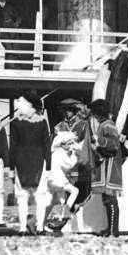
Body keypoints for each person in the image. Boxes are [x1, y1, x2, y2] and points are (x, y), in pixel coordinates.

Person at [47, 98, 94, 230]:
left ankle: (70, 216)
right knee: (62, 193)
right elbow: (53, 145)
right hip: (62, 162)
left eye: (69, 110)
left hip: (77, 161)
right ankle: (60, 219)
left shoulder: (83, 124)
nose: (66, 113)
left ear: (74, 111)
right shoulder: (59, 126)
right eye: (65, 111)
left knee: (79, 190)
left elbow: (85, 144)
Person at [9, 92, 52, 236]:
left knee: (40, 196)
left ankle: (40, 227)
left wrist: (49, 166)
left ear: (31, 106)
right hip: (21, 163)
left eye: (22, 103)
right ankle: (22, 227)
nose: (19, 105)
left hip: (39, 162)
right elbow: (13, 145)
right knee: (22, 196)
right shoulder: (15, 122)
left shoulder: (41, 122)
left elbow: (47, 144)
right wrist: (11, 167)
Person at [90, 99, 122, 238]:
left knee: (110, 199)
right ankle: (111, 229)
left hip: (110, 165)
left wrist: (99, 141)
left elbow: (114, 144)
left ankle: (113, 231)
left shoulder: (108, 125)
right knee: (107, 199)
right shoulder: (105, 124)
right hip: (106, 165)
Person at [48, 131, 80, 230]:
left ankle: (56, 220)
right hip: (57, 180)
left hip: (51, 180)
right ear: (62, 144)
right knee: (75, 191)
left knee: (60, 199)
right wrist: (74, 154)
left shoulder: (55, 152)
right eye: (69, 143)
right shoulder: (60, 153)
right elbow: (69, 165)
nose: (71, 145)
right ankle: (65, 213)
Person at [0, 0, 22, 69]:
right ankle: (9, 67)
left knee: (14, 50)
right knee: (8, 50)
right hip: (3, 34)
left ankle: (15, 68)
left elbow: (19, 18)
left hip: (13, 33)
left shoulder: (10, 7)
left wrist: (15, 26)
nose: (2, 1)